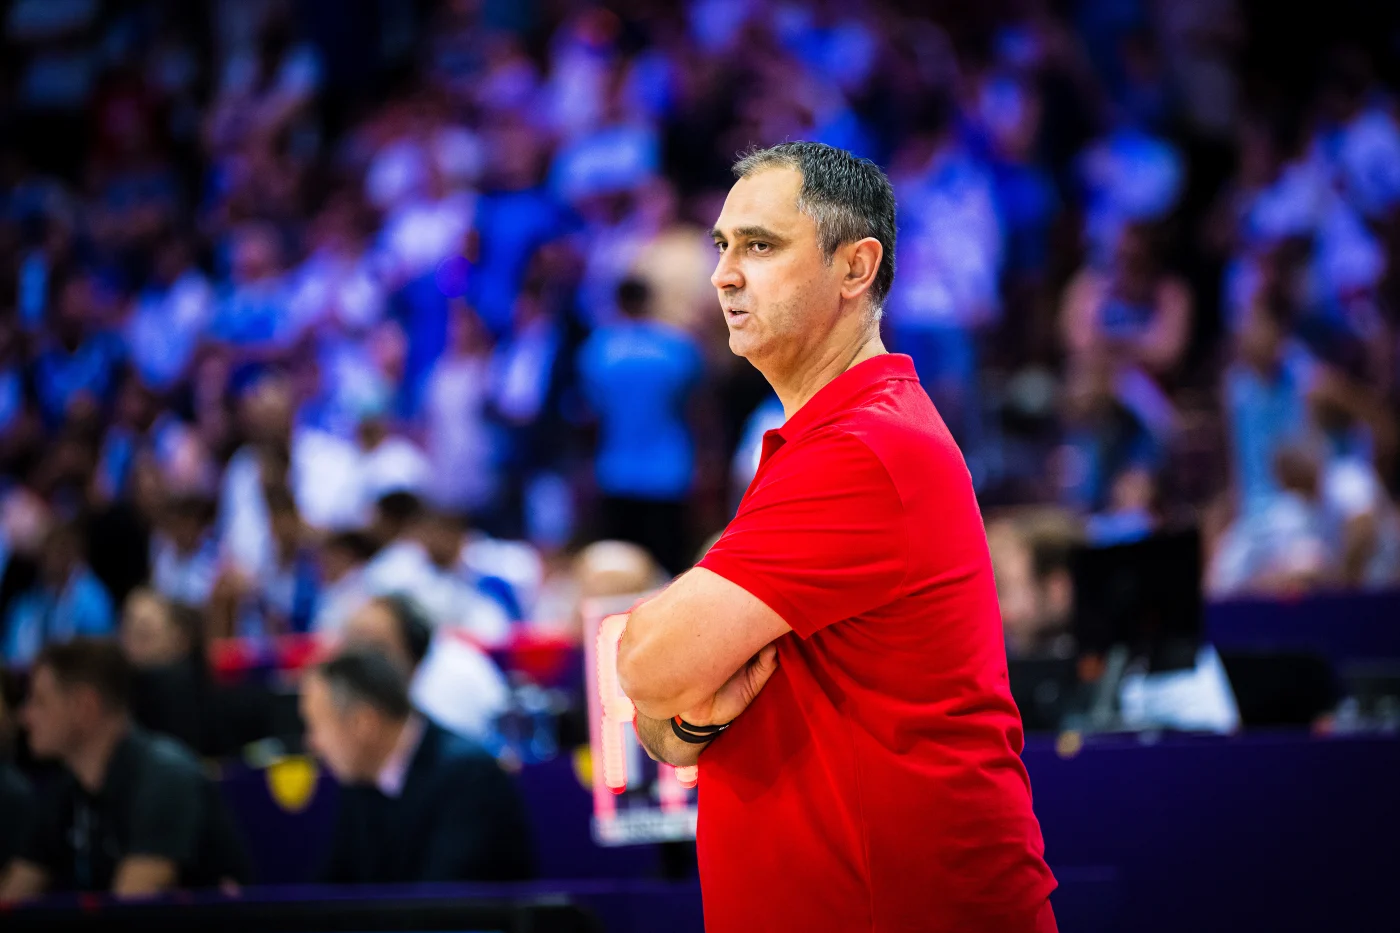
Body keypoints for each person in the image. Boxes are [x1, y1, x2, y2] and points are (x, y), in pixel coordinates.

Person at [617, 142, 1056, 932]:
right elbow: (658, 720)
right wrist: (687, 719)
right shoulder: (834, 438)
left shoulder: (864, 449)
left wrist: (678, 704)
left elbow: (644, 664)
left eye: (760, 245)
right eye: (722, 245)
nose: (722, 275)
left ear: (856, 267)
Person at [0, 639, 248, 900]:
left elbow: (129, 909)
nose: (24, 716)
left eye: (39, 701)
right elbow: (11, 897)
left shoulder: (165, 778)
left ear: (85, 707)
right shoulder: (67, 789)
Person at [301, 650, 532, 884]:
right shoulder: (359, 775)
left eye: (316, 726)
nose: (313, 743)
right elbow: (332, 891)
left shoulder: (471, 777)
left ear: (364, 723)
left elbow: (444, 898)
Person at [577, 277, 705, 574]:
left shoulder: (598, 350)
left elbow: (590, 415)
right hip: (670, 470)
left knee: (621, 570)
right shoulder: (678, 348)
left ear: (618, 304)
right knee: (668, 567)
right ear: (649, 302)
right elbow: (696, 410)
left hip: (615, 470)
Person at [342, 594, 510, 742]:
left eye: (375, 648)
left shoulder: (450, 685)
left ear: (413, 650)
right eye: (352, 644)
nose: (359, 659)